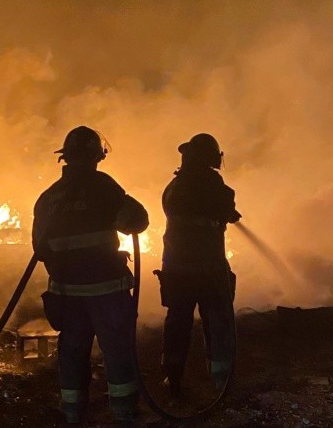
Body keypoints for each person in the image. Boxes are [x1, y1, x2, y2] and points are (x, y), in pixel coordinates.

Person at [32, 126, 149, 424]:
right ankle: (124, 413)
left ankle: (72, 412)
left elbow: (40, 248)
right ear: (96, 156)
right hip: (106, 290)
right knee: (117, 350)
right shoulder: (103, 186)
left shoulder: (48, 198)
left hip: (66, 295)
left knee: (71, 352)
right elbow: (136, 220)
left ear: (66, 158)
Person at [158, 133, 240, 400]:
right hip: (209, 269)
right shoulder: (211, 181)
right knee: (218, 322)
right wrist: (229, 213)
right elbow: (223, 205)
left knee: (177, 324)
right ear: (210, 157)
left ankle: (173, 379)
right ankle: (220, 381)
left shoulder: (174, 186)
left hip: (176, 269)